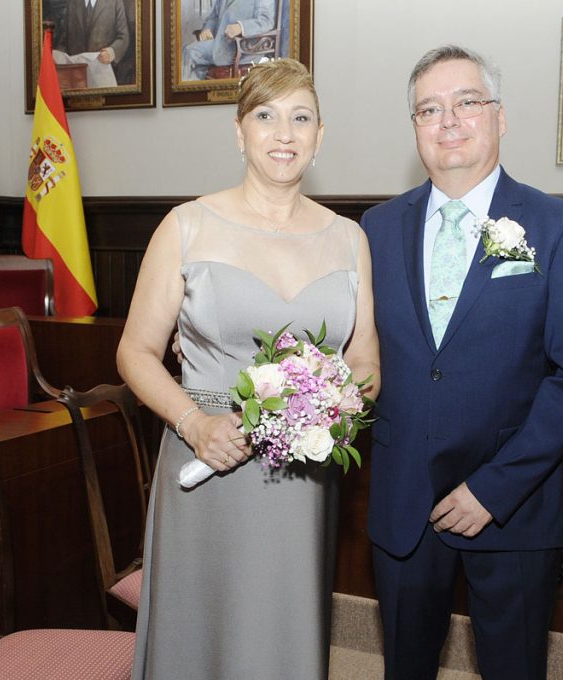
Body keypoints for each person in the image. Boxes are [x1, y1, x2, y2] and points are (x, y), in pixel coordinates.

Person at [117, 58, 380, 680]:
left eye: (300, 118)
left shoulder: (349, 239)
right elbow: (133, 352)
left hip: (302, 475)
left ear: (321, 135)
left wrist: (334, 404)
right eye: (265, 116)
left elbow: (364, 357)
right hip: (207, 458)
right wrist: (194, 422)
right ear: (239, 132)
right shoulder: (187, 226)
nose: (283, 133)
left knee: (279, 632)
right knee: (201, 632)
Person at [361, 45, 563, 680]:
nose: (449, 120)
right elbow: (358, 353)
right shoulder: (375, 229)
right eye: (428, 108)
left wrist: (492, 489)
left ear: (499, 116)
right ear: (414, 127)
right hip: (403, 499)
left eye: (467, 102)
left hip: (513, 502)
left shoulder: (557, 226)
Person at [183, 0, 277, 81]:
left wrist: (241, 27)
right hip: (221, 44)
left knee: (189, 52)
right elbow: (214, 17)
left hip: (244, 50)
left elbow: (266, 21)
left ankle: (184, 93)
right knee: (191, 61)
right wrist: (207, 30)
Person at [54, 0, 131, 84]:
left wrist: (112, 52)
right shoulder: (72, 2)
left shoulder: (115, 2)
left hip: (102, 74)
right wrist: (58, 56)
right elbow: (65, 39)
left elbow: (124, 36)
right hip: (76, 77)